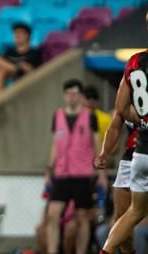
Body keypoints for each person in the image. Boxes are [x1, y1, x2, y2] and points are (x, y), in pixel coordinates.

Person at [100, 34, 148, 253]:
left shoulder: (136, 64)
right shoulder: (134, 67)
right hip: (134, 151)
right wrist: (105, 152)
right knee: (123, 216)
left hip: (141, 150)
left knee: (133, 214)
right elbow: (120, 113)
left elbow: (124, 110)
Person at [46, 79, 101, 254]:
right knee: (53, 213)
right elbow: (55, 144)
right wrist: (49, 168)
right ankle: (52, 251)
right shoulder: (58, 115)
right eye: (68, 94)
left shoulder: (89, 116)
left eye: (75, 94)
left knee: (82, 216)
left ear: (80, 96)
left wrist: (100, 172)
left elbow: (97, 145)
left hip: (82, 174)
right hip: (62, 173)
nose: (71, 97)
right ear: (64, 95)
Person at [95, 112, 138, 254]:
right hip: (131, 156)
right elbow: (116, 122)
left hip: (144, 156)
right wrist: (104, 152)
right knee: (120, 217)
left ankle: (106, 251)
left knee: (137, 211)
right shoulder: (127, 90)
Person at [0, 23, 42, 93]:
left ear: (28, 35)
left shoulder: (34, 52)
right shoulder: (9, 51)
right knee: (1, 70)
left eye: (20, 33)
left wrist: (26, 67)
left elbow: (35, 72)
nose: (17, 35)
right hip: (11, 74)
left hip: (24, 76)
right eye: (15, 32)